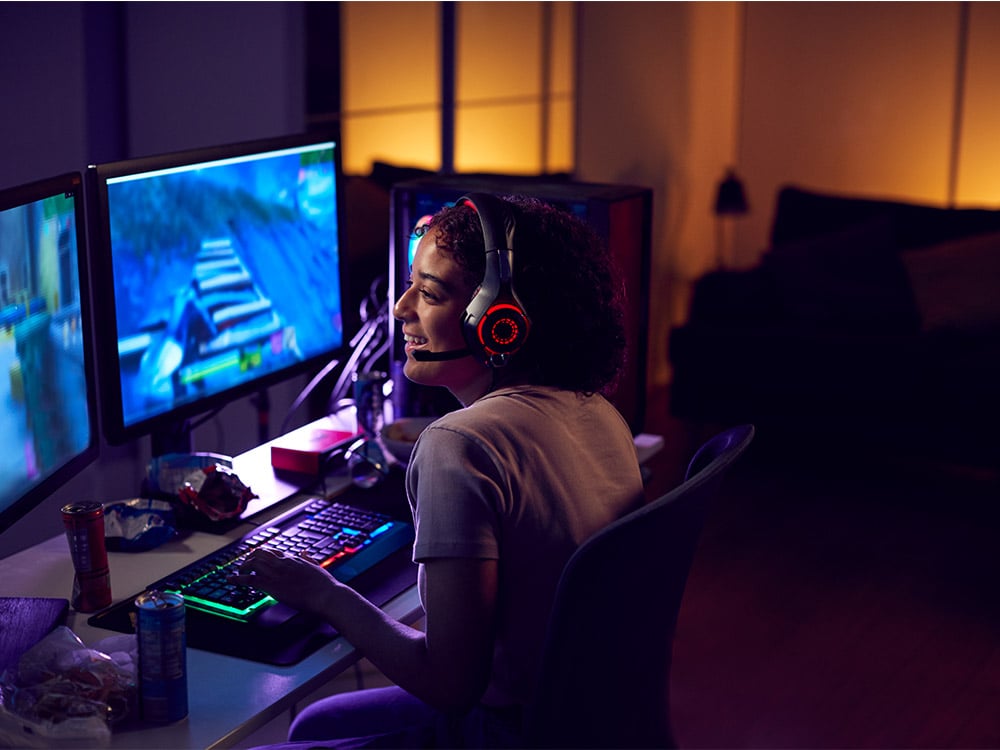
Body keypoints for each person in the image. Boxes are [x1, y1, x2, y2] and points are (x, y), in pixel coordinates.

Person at [232, 193, 645, 748]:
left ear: (500, 323)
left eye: (428, 293)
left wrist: (324, 594)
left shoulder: (459, 444)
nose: (401, 308)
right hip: (585, 721)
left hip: (507, 732)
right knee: (316, 723)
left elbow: (450, 684)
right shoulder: (601, 413)